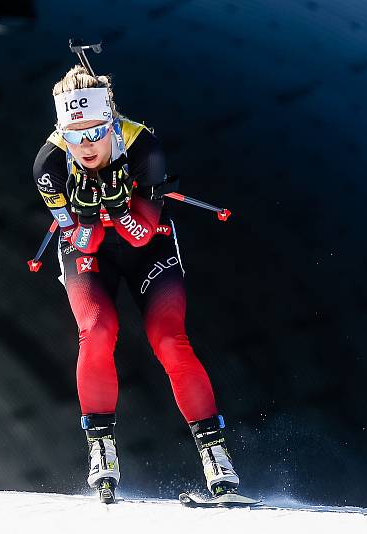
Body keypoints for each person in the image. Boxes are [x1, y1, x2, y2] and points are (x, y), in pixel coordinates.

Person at [32, 65, 240, 503]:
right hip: (90, 251)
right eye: (74, 135)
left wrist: (115, 207)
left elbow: (142, 233)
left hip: (148, 244)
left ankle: (216, 457)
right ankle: (101, 450)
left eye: (95, 132)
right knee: (97, 332)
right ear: (60, 135)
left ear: (112, 124)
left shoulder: (143, 145)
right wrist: (88, 217)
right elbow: (78, 239)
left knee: (169, 339)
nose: (86, 145)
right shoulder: (49, 165)